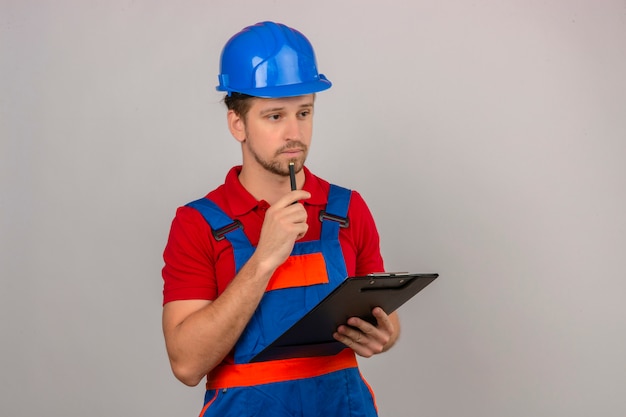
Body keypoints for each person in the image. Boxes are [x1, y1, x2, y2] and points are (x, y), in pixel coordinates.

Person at [161, 21, 400, 417]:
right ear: (238, 123)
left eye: (304, 112)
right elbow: (186, 365)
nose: (295, 133)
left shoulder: (346, 209)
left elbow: (384, 315)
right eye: (274, 117)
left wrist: (386, 334)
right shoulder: (198, 224)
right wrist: (264, 258)